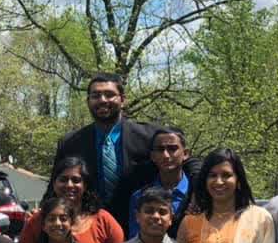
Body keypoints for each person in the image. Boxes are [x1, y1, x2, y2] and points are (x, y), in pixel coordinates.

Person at [54, 73, 200, 233]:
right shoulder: (71, 143)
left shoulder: (150, 136)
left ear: (123, 99)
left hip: (140, 226)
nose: (102, 100)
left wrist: (197, 190)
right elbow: (55, 185)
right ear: (88, 101)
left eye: (109, 94)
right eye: (96, 96)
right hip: (88, 227)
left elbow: (188, 161)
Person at [17, 157, 124, 243]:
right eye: (63, 180)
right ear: (54, 184)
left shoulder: (103, 219)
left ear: (85, 185)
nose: (69, 185)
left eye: (76, 180)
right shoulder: (37, 220)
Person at [128, 127, 193, 239]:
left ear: (185, 153)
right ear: (153, 156)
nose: (166, 155)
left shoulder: (197, 194)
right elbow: (136, 240)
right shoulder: (140, 197)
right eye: (160, 149)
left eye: (172, 149)